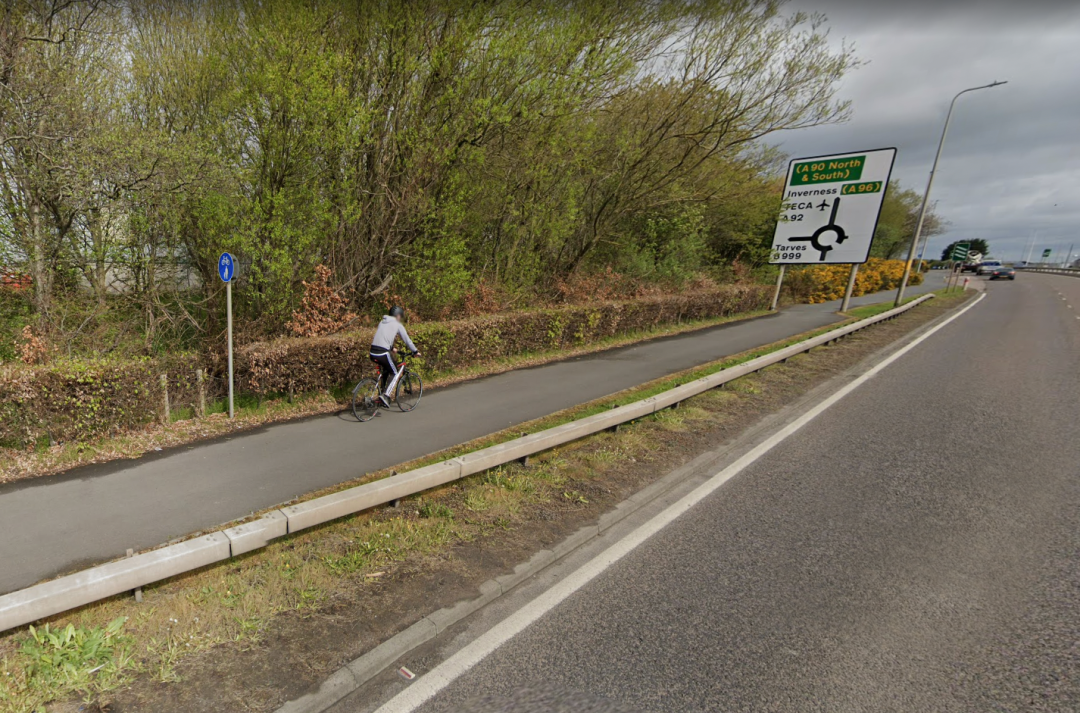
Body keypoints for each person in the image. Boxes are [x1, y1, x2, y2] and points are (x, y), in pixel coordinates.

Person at [369, 306, 421, 407]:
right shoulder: (397, 325)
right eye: (400, 317)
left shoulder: (382, 322)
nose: (400, 319)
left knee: (387, 370)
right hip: (382, 353)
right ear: (397, 315)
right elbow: (407, 340)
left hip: (373, 352)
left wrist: (392, 348)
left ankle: (381, 392)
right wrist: (415, 351)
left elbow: (383, 336)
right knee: (395, 372)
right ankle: (386, 395)